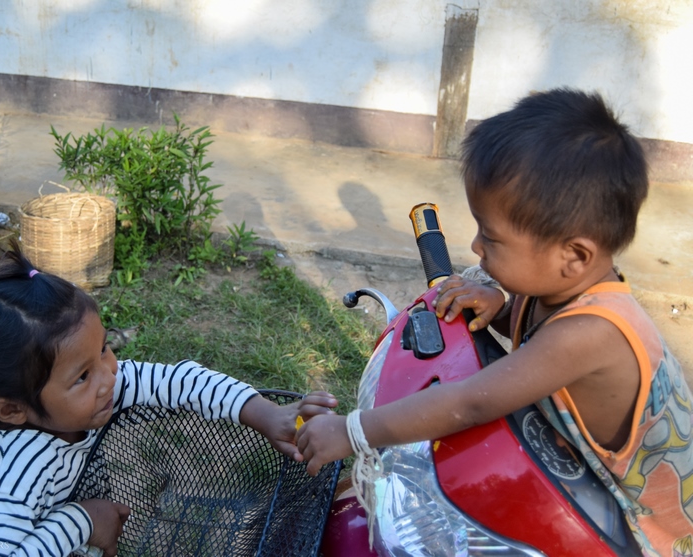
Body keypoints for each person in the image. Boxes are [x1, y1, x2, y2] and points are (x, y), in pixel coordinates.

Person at [295, 88, 692, 556]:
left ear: (574, 255)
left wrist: (352, 431)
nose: (477, 247)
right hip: (569, 476)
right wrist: (500, 308)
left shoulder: (594, 333)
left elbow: (470, 403)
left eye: (492, 237)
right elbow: (540, 353)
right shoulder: (558, 287)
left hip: (631, 528)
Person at [0, 241, 338, 557]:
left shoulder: (86, 395)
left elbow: (176, 381)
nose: (109, 376)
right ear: (13, 409)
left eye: (104, 348)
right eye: (83, 375)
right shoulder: (23, 471)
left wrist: (262, 413)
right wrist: (82, 520)